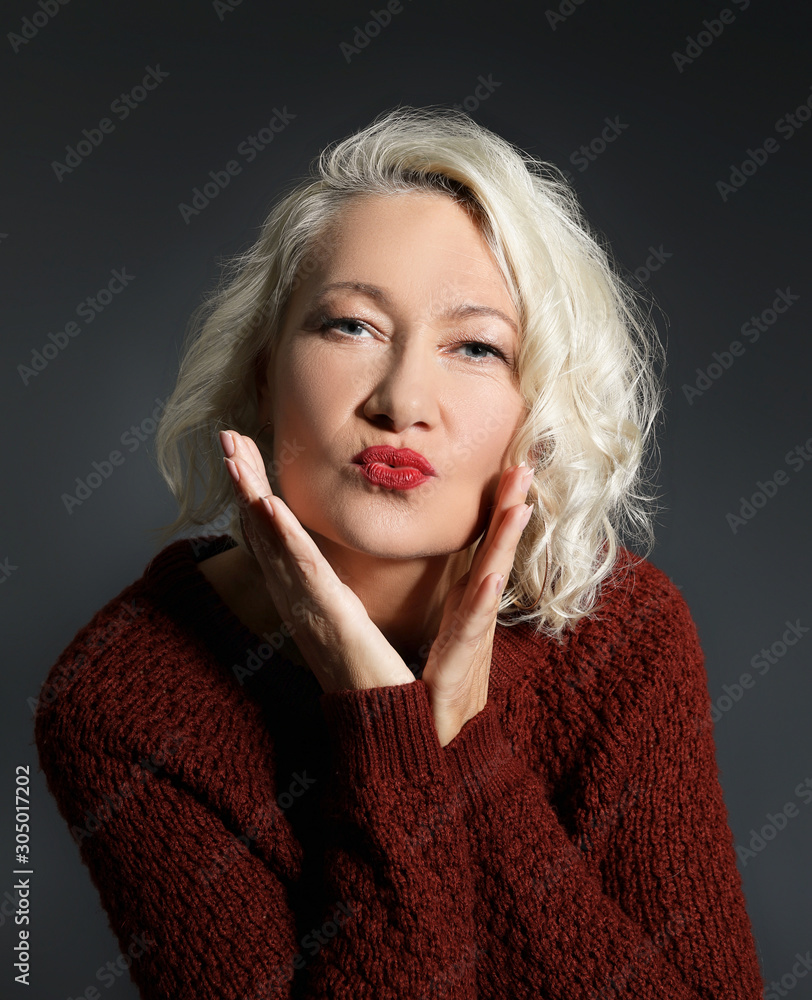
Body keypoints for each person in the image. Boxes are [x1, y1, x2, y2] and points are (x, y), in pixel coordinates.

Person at [34, 106, 765, 999]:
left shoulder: (625, 637)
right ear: (263, 370)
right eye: (352, 326)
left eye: (476, 346)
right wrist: (385, 726)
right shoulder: (124, 700)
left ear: (540, 412)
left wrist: (464, 744)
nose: (403, 399)